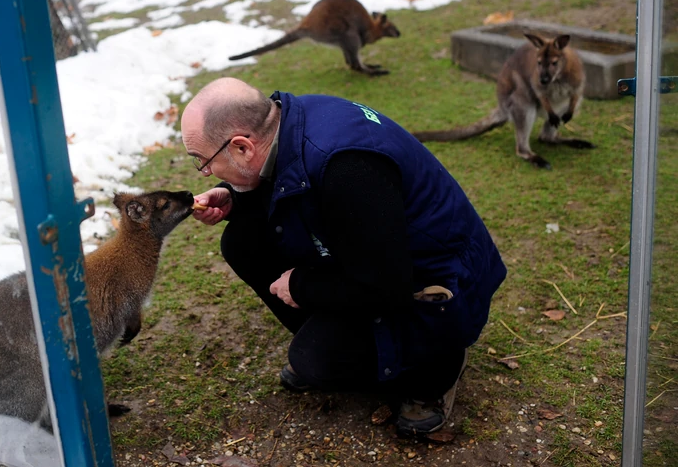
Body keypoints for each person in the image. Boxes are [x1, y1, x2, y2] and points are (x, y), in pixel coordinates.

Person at [180, 77, 507, 435]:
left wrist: (302, 286)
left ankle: (434, 371)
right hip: (380, 257)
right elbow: (293, 183)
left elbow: (388, 286)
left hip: (437, 289)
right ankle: (341, 338)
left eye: (203, 160)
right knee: (243, 239)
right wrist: (236, 193)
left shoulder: (346, 167)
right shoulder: (288, 120)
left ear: (242, 147)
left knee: (316, 362)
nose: (206, 172)